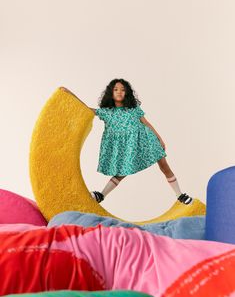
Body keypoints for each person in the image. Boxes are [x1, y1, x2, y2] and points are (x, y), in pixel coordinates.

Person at [60, 79, 193, 205]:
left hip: (146, 139)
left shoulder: (133, 109)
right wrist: (70, 94)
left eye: (122, 90)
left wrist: (159, 138)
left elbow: (146, 123)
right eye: (116, 89)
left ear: (127, 93)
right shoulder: (107, 112)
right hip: (129, 146)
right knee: (121, 173)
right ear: (111, 93)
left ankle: (179, 194)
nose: (119, 92)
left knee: (164, 164)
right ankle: (102, 195)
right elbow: (86, 109)